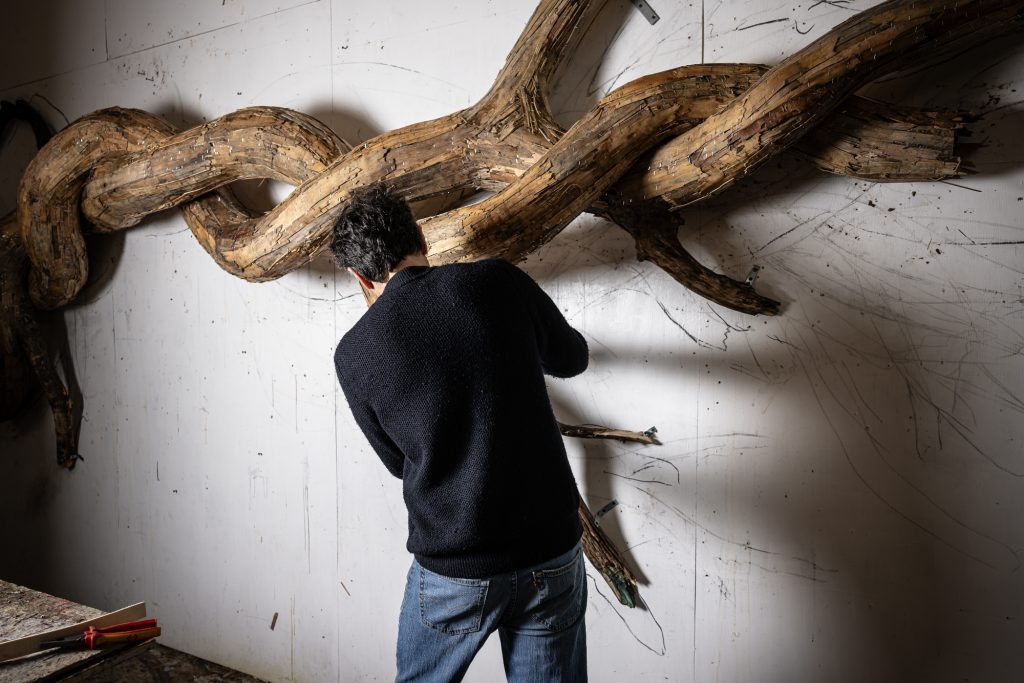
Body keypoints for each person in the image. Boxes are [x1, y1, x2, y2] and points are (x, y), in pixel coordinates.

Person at [331, 183, 590, 683]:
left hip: (455, 567)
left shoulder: (355, 354)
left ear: (358, 276)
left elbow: (396, 461)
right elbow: (572, 357)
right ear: (421, 239)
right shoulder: (496, 280)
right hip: (550, 550)